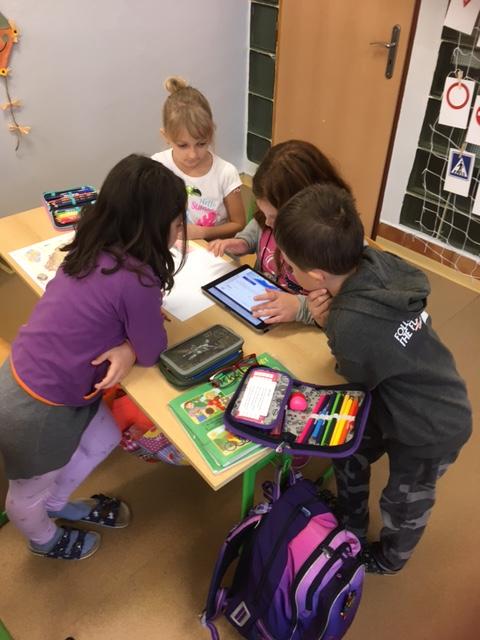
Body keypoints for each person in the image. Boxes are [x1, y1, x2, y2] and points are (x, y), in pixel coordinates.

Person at [273, 182, 472, 574]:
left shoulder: (348, 326)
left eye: (290, 266)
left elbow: (354, 381)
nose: (288, 271)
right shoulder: (374, 259)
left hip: (429, 428)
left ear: (316, 275)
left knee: (405, 501)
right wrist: (336, 313)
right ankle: (351, 523)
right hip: (415, 393)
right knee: (348, 447)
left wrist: (329, 322)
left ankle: (390, 559)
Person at [0, 154, 188, 560]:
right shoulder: (139, 279)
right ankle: (43, 539)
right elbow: (153, 351)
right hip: (40, 409)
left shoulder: (91, 246)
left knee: (104, 436)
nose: (180, 231)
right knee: (26, 494)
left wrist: (127, 340)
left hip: (34, 380)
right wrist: (132, 347)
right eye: (177, 223)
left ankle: (54, 504)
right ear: (153, 227)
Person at [209, 140, 349, 325]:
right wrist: (244, 242)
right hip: (263, 311)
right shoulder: (268, 216)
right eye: (265, 214)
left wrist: (300, 308)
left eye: (274, 218)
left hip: (301, 329)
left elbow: (339, 310)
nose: (268, 223)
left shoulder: (333, 240)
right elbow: (258, 225)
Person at [152, 76, 245, 241]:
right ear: (166, 136)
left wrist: (204, 233)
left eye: (201, 144)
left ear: (211, 133)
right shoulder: (158, 166)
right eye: (183, 145)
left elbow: (239, 224)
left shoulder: (225, 173)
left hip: (212, 251)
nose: (193, 154)